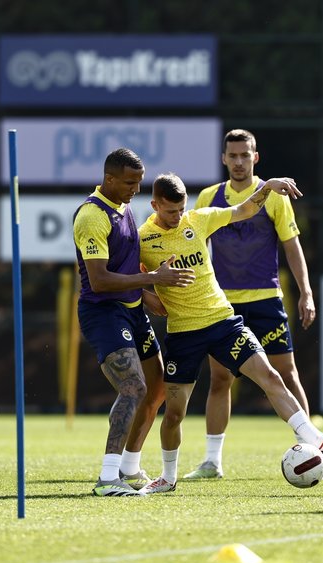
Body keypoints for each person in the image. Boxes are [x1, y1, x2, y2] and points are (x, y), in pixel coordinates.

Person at [137, 172, 323, 493]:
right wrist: (149, 290)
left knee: (270, 375)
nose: (177, 216)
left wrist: (266, 187)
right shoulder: (143, 239)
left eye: (181, 209)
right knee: (173, 414)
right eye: (171, 211)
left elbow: (244, 209)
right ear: (155, 205)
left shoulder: (197, 220)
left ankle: (319, 440)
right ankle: (168, 478)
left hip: (222, 322)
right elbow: (124, 275)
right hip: (183, 333)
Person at [184, 129, 316, 480]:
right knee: (220, 379)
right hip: (222, 304)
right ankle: (212, 462)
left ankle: (314, 451)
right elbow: (193, 245)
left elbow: (292, 246)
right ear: (223, 159)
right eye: (233, 155)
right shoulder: (209, 197)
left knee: (286, 374)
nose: (239, 161)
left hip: (266, 300)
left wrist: (305, 291)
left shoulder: (274, 196)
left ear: (255, 157)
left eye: (245, 155)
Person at [73, 148, 195, 497]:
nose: (135, 189)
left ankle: (129, 467)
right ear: (109, 179)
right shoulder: (92, 217)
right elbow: (100, 280)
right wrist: (152, 280)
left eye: (139, 182)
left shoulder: (123, 207)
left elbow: (125, 265)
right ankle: (107, 478)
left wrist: (145, 293)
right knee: (133, 387)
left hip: (133, 310)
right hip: (104, 312)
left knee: (157, 389)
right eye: (129, 182)